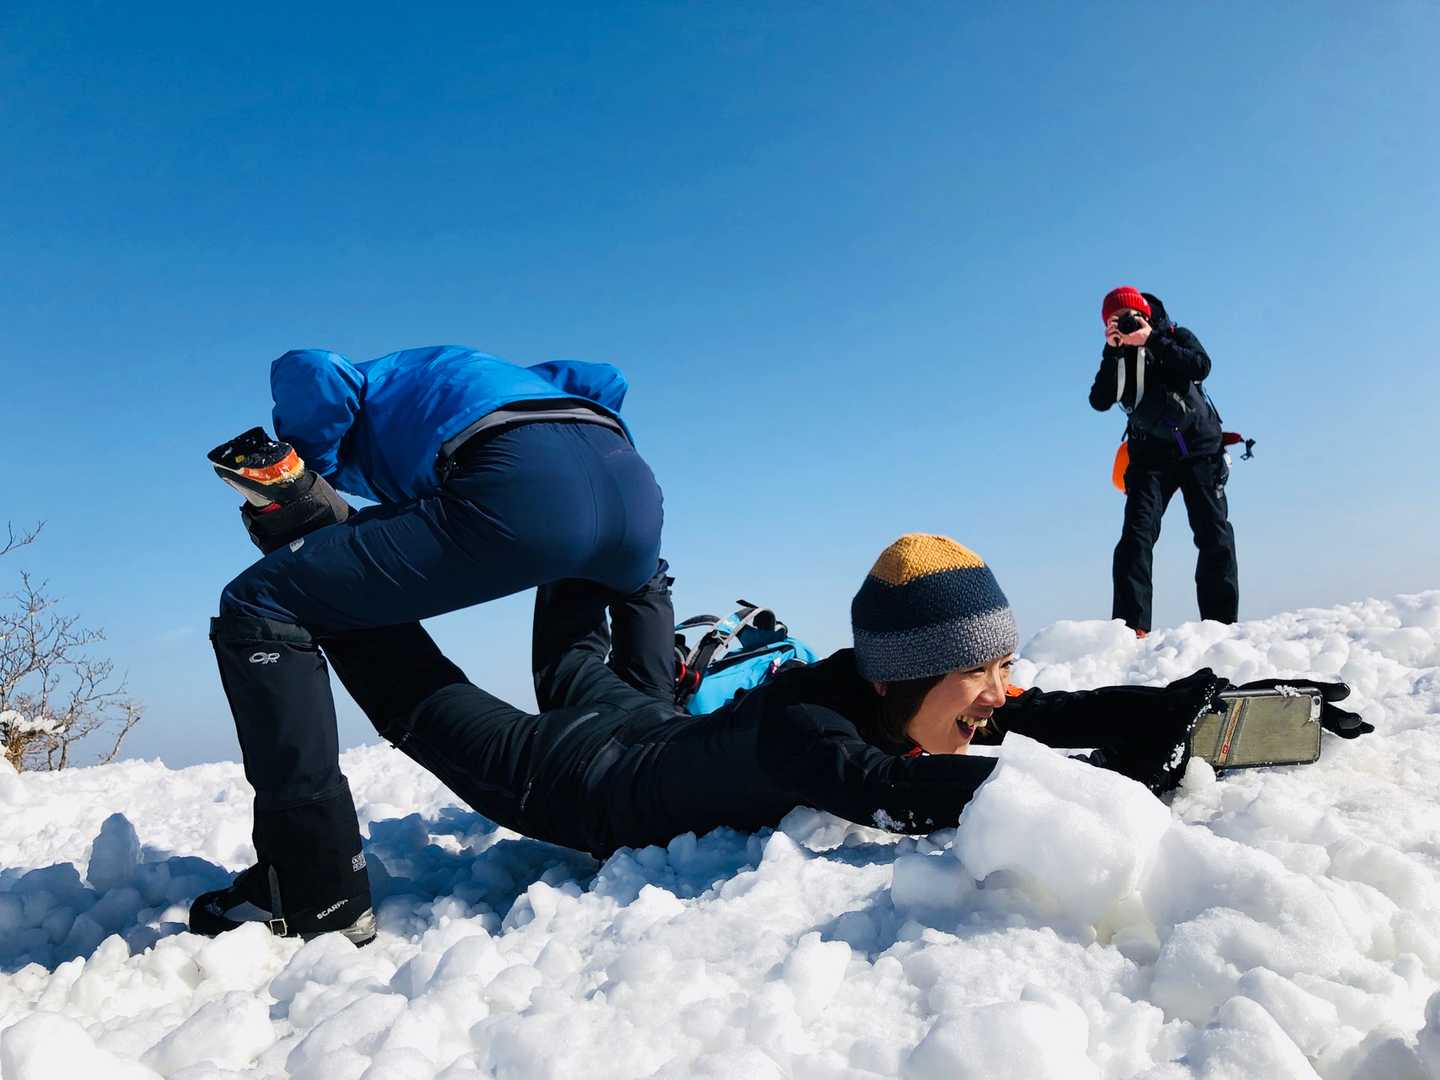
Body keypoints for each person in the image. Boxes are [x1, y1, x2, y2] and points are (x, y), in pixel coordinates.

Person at [193, 532, 1369, 944]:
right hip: (567, 781)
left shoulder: (908, 688)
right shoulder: (817, 726)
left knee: (583, 632)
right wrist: (1091, 794)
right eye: (981, 670)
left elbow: (1048, 715)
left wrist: (1195, 704)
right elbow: (894, 791)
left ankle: (591, 536)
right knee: (422, 693)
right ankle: (315, 532)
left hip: (641, 724)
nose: (1001, 691)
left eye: (1002, 663)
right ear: (910, 673)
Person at [191, 345, 673, 946]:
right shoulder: (510, 379)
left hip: (519, 483)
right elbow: (605, 377)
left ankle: (311, 889)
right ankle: (657, 758)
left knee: (261, 600)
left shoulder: (368, 384)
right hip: (633, 491)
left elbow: (312, 368)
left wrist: (309, 467)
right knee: (635, 591)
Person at [1089, 286, 1239, 635]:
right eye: (1114, 320)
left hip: (1199, 448)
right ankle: (1132, 629)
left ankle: (1222, 628)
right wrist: (1113, 351)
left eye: (1128, 316)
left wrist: (1151, 339)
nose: (1124, 324)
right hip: (1150, 457)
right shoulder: (1118, 354)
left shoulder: (1173, 335)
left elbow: (1201, 366)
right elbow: (1099, 400)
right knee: (1136, 535)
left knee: (1213, 533)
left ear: (1144, 313)